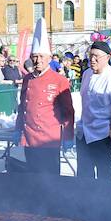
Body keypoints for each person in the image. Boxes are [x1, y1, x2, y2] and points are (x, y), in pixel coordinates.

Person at [16, 20, 75, 174]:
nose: (38, 60)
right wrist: (18, 129)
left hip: (49, 139)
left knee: (51, 180)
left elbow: (68, 111)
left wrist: (68, 136)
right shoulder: (27, 79)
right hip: (29, 138)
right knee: (32, 177)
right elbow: (22, 106)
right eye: (35, 56)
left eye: (42, 56)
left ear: (49, 58)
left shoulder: (59, 80)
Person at [76, 41, 111, 181]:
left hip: (102, 134)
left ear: (107, 57)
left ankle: (106, 202)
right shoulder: (87, 74)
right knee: (83, 175)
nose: (92, 60)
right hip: (84, 133)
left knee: (104, 176)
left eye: (96, 57)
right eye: (90, 56)